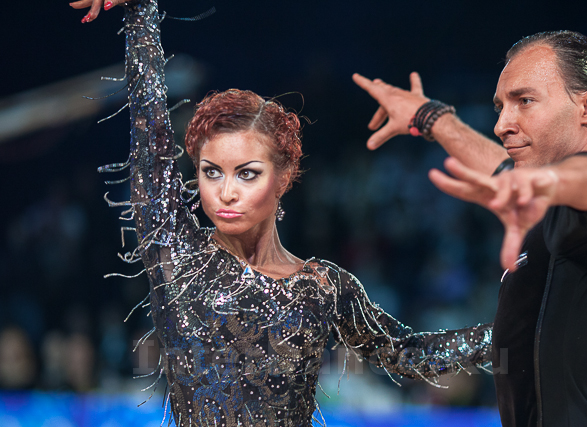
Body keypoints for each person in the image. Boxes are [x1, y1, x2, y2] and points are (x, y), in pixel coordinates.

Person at [70, 0, 492, 426]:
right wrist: (140, 12)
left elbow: (407, 353)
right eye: (211, 172)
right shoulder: (177, 254)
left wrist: (509, 329)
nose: (226, 192)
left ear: (284, 176)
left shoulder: (324, 287)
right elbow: (150, 136)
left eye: (247, 174)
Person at [354, 31, 587, 426]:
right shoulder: (550, 207)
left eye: (525, 101)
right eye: (500, 106)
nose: (502, 124)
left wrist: (542, 182)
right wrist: (431, 117)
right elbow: (501, 168)